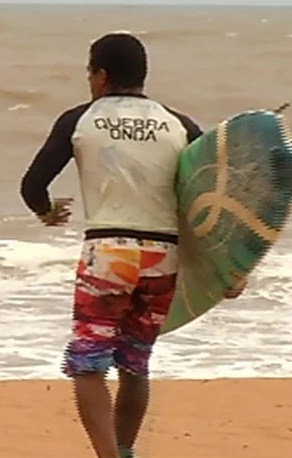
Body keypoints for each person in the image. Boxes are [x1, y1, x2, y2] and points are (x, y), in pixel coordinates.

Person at [19, 32, 211, 458]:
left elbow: (32, 186)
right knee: (135, 361)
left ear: (101, 76)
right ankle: (125, 450)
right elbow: (208, 203)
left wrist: (47, 211)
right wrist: (226, 268)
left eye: (90, 72)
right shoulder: (180, 124)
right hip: (163, 258)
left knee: (88, 362)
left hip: (109, 253)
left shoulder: (79, 120)